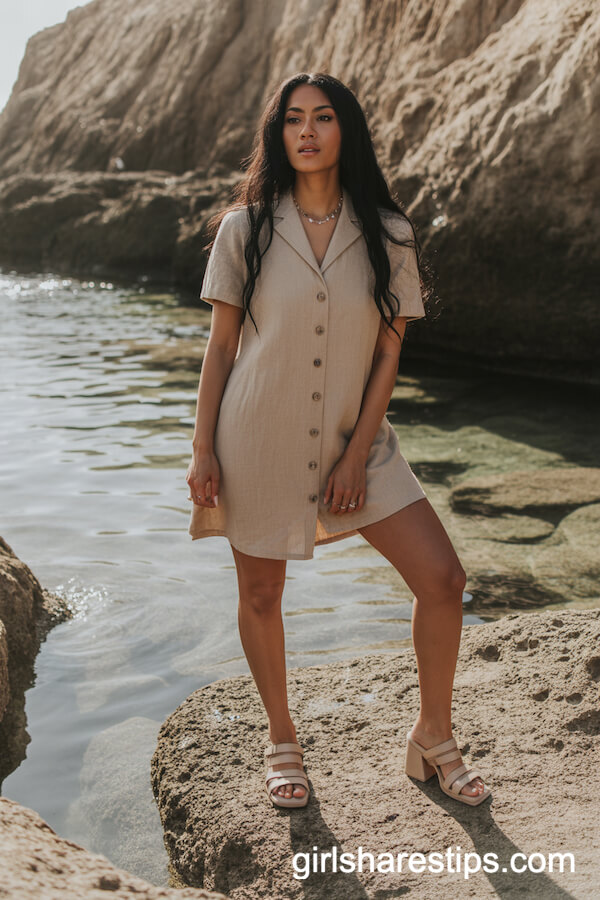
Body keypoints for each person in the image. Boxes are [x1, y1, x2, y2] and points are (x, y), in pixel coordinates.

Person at [186, 72, 491, 809]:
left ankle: (433, 736)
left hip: (360, 441)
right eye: (293, 119)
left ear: (345, 130)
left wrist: (356, 455)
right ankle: (281, 741)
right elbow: (221, 348)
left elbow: (388, 353)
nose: (308, 131)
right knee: (262, 592)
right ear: (278, 134)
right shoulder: (245, 230)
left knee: (443, 580)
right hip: (256, 434)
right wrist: (201, 448)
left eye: (323, 117)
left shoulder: (389, 233)